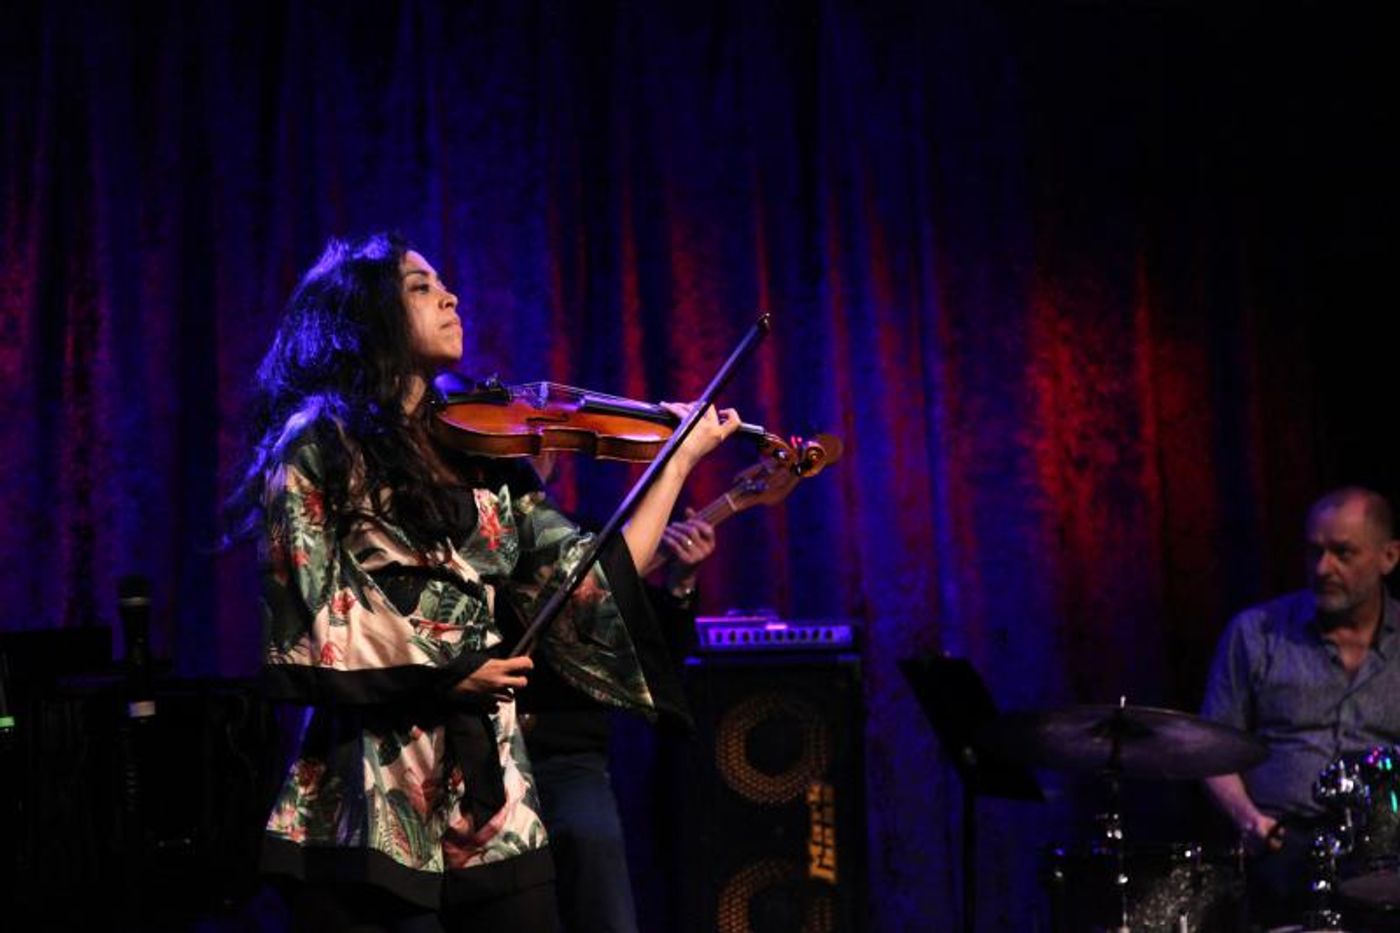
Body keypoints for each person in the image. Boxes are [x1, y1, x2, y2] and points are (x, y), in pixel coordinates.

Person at [225, 232, 740, 931]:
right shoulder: (318, 442)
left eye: (443, 283)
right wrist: (445, 673)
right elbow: (312, 610)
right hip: (371, 788)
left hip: (493, 792)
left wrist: (676, 463)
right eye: (419, 286)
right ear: (366, 314)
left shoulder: (483, 459)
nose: (450, 297)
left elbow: (585, 579)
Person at [1200, 486, 1400, 928]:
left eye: (1343, 553)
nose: (1323, 568)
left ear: (1388, 557)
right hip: (1279, 846)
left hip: (1386, 856)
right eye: (1314, 552)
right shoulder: (1256, 633)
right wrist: (1249, 821)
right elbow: (1208, 748)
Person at [524, 509, 717, 933]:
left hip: (567, 757)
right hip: (480, 752)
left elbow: (658, 658)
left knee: (599, 877)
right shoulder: (477, 528)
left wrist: (681, 584)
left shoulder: (586, 534)